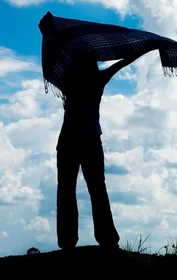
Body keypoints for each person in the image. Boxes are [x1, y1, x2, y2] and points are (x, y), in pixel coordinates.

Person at [56, 53, 138, 251]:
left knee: (67, 190)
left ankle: (68, 241)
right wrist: (145, 46)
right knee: (97, 190)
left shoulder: (68, 81)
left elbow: (59, 53)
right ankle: (107, 238)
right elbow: (124, 61)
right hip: (90, 140)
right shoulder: (97, 78)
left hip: (69, 139)